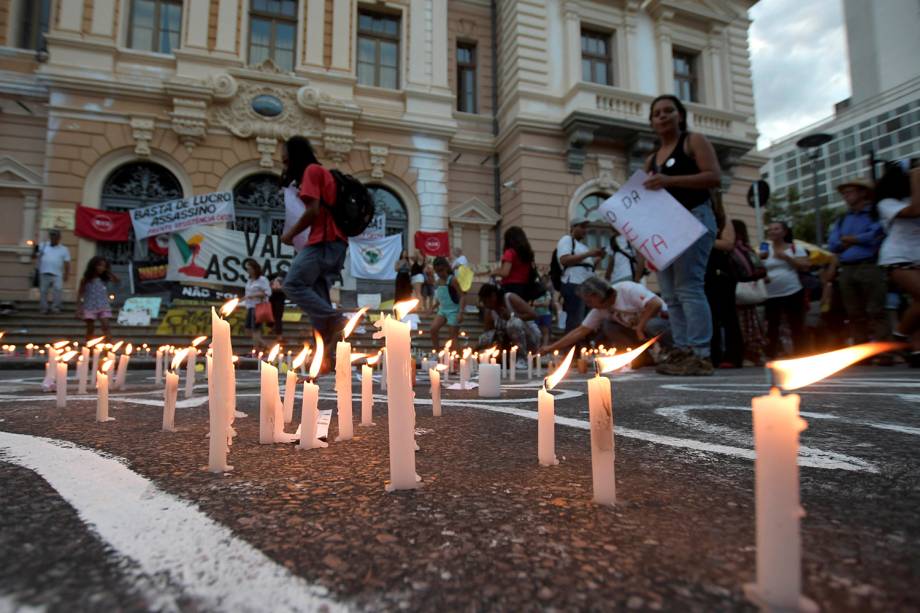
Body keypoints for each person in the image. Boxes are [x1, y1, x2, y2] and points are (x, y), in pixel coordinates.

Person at [643, 94, 722, 376]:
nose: (663, 116)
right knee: (670, 294)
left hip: (693, 218)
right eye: (657, 113)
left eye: (668, 111)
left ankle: (700, 352)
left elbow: (713, 176)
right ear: (651, 122)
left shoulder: (693, 141)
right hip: (665, 229)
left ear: (680, 115)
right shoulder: (651, 159)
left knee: (689, 287)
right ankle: (683, 348)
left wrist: (670, 180)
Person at [280, 136, 347, 369]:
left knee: (293, 284)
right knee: (319, 300)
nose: (284, 164)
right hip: (337, 245)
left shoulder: (311, 171)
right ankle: (326, 357)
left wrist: (290, 235)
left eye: (285, 159)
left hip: (324, 241)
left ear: (294, 155)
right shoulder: (324, 173)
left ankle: (335, 318)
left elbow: (313, 211)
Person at [540, 277, 671, 365]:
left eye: (589, 301)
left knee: (650, 324)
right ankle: (643, 358)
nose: (589, 305)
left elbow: (655, 304)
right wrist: (550, 348)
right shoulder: (601, 309)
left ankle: (672, 353)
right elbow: (580, 331)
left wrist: (640, 326)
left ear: (596, 295)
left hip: (663, 325)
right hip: (639, 335)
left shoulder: (627, 289)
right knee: (608, 326)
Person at [827, 177, 890, 346]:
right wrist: (856, 239)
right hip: (847, 268)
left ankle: (884, 349)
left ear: (862, 193)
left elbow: (875, 236)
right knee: (854, 313)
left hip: (869, 264)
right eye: (844, 193)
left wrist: (849, 239)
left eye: (850, 192)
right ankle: (861, 349)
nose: (846, 196)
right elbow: (833, 244)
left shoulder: (874, 214)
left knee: (876, 310)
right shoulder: (842, 219)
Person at [876, 163, 920, 365]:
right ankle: (899, 337)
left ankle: (916, 349)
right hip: (898, 257)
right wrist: (916, 174)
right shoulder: (886, 203)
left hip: (917, 256)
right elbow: (915, 210)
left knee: (916, 304)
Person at [760, 221, 810, 359]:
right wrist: (762, 275)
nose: (772, 232)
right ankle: (771, 354)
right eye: (770, 229)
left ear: (784, 232)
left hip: (792, 290)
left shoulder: (794, 247)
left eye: (776, 229)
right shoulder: (764, 247)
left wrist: (787, 258)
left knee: (796, 323)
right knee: (771, 325)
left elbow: (806, 266)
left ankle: (801, 354)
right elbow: (759, 265)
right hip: (771, 293)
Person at [705, 201, 743, 368]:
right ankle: (714, 355)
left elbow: (728, 243)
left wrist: (701, 239)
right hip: (703, 274)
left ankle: (733, 355)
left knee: (727, 316)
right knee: (709, 317)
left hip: (721, 274)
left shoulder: (722, 219)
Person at [557, 217, 604, 333]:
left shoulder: (583, 246)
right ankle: (571, 348)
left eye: (586, 227)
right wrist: (589, 254)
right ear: (573, 227)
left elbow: (588, 266)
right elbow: (564, 259)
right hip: (574, 283)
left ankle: (581, 347)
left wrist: (598, 258)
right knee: (575, 319)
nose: (585, 230)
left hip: (586, 285)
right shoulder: (567, 240)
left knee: (585, 320)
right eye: (582, 227)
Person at [732, 220, 767, 366]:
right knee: (752, 324)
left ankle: (748, 355)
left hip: (739, 291)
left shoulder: (734, 249)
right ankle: (754, 354)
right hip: (749, 292)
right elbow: (759, 268)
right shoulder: (748, 249)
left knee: (743, 325)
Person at [477, 283, 540, 355]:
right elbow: (487, 332)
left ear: (493, 296)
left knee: (513, 324)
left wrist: (511, 316)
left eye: (485, 302)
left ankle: (522, 357)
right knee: (485, 338)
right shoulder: (489, 311)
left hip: (529, 337)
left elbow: (533, 315)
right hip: (509, 342)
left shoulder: (510, 298)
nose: (485, 305)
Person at [77, 256, 118, 339]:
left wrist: (109, 272)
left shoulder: (104, 279)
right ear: (93, 266)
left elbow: (117, 280)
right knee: (90, 328)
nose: (101, 268)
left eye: (104, 266)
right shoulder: (85, 280)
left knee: (106, 325)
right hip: (89, 306)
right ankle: (89, 347)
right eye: (99, 265)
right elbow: (80, 293)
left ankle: (109, 346)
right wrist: (78, 308)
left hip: (103, 305)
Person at [429, 257, 465, 350]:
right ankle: (437, 352)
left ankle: (458, 358)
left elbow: (462, 296)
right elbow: (440, 298)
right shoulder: (438, 281)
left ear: (446, 268)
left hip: (454, 311)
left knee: (453, 336)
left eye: (441, 270)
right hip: (443, 310)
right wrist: (432, 308)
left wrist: (461, 313)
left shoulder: (452, 280)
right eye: (437, 271)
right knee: (433, 329)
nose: (440, 274)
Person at [491, 226, 535, 300]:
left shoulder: (510, 252)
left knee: (511, 310)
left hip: (511, 288)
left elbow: (505, 272)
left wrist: (495, 272)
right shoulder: (527, 253)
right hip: (525, 287)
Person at [35, 229, 70, 314]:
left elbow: (67, 262)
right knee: (43, 291)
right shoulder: (42, 246)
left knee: (58, 290)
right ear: (50, 237)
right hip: (44, 272)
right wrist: (35, 249)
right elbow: (35, 255)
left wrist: (66, 273)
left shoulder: (64, 249)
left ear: (59, 238)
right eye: (52, 236)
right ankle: (44, 308)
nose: (54, 238)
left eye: (56, 236)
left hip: (57, 273)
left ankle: (55, 307)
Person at [243, 259, 272, 350]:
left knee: (256, 329)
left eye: (250, 269)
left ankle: (256, 348)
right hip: (250, 306)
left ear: (255, 269)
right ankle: (264, 345)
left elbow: (268, 292)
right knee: (248, 330)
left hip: (258, 306)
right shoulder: (250, 280)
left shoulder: (262, 279)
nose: (248, 271)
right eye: (247, 269)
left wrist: (253, 295)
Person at [269, 272, 287, 344]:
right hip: (277, 298)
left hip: (275, 297)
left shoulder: (273, 279)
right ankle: (278, 334)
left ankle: (274, 330)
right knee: (277, 316)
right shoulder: (283, 279)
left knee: (275, 316)